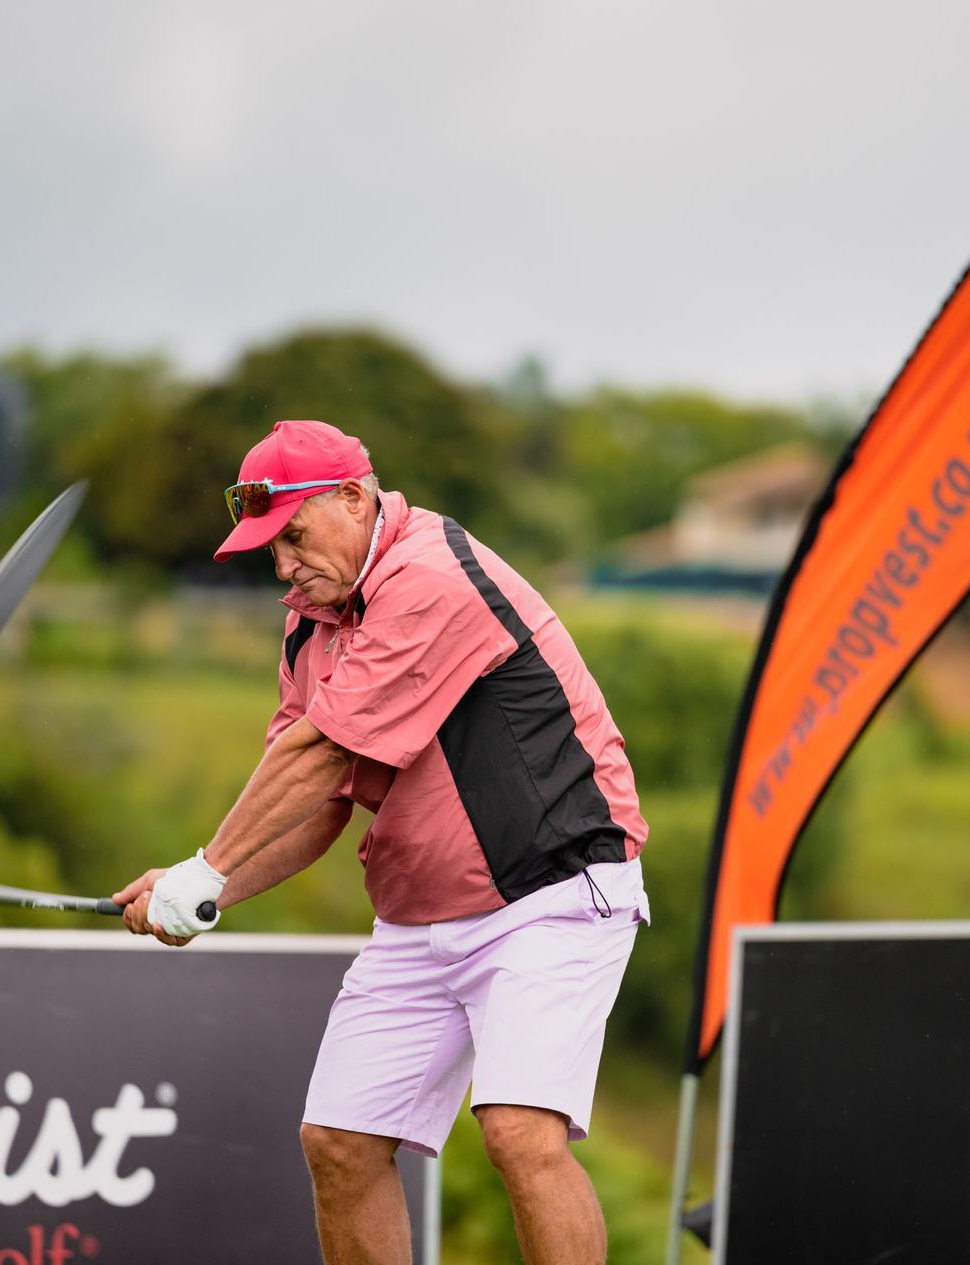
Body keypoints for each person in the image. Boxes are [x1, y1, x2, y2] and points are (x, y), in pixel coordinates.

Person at [115, 419, 650, 1264]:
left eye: (294, 536)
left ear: (354, 498)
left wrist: (204, 869)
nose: (284, 566)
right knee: (340, 1143)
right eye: (271, 548)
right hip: (422, 915)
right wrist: (206, 888)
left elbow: (322, 752)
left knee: (520, 1133)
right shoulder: (313, 622)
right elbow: (316, 801)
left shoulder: (429, 575)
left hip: (552, 892)